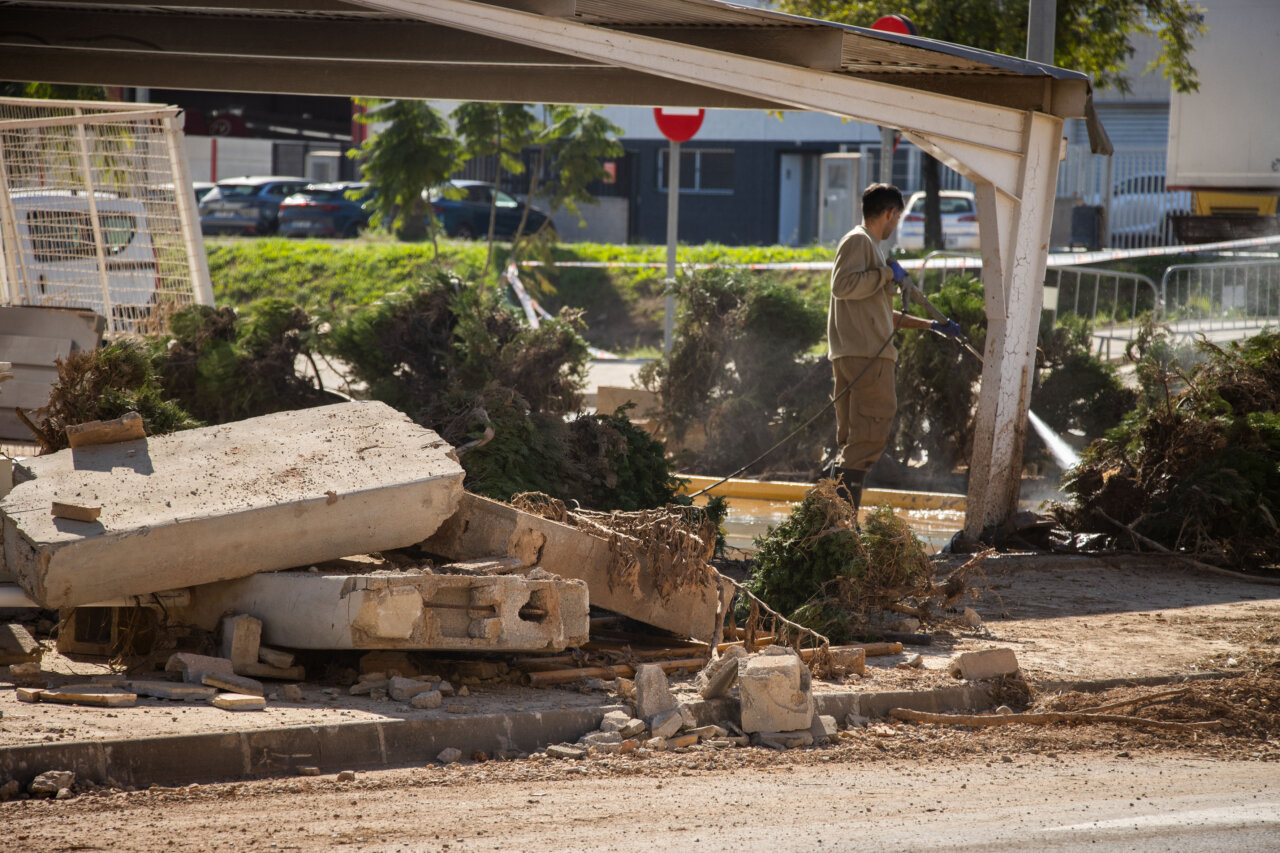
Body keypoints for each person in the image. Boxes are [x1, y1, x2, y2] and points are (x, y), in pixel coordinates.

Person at [827, 182, 962, 513]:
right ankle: (840, 527)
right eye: (897, 218)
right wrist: (887, 273)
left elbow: (882, 314)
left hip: (856, 355)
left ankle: (827, 521)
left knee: (853, 445)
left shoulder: (869, 247)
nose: (896, 224)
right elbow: (842, 287)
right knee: (867, 441)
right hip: (867, 359)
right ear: (890, 213)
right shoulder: (860, 241)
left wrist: (931, 325)